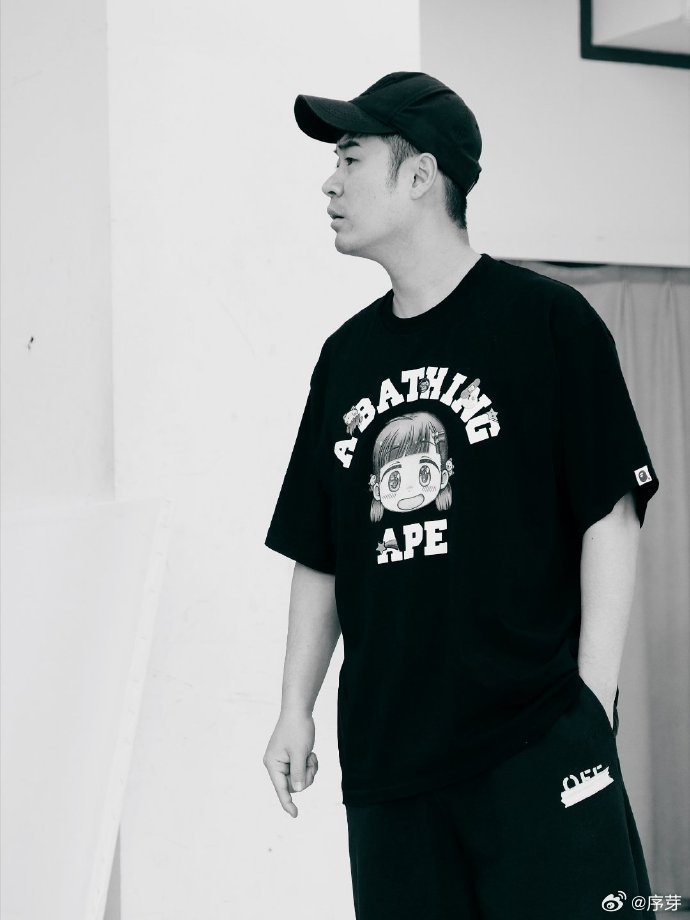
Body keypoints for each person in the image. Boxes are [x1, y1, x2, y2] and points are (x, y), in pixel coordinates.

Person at [261, 71, 660, 919]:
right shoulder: (345, 358)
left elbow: (610, 512)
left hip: (533, 741)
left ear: (419, 176)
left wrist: (589, 706)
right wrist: (294, 707)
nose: (329, 183)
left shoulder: (548, 323)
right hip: (390, 766)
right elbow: (320, 551)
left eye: (349, 159)